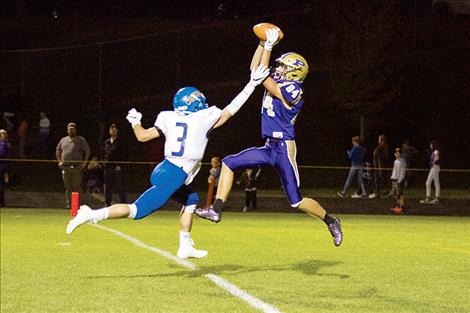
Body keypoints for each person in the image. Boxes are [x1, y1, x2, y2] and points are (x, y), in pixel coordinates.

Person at [66, 65, 270, 260]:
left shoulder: (168, 116)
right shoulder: (203, 117)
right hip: (175, 173)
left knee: (191, 200)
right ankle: (91, 214)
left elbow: (143, 136)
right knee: (136, 211)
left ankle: (185, 245)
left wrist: (135, 121)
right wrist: (252, 84)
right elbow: (231, 109)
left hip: (164, 169)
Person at [195, 28, 343, 247]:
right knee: (228, 162)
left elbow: (263, 75)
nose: (279, 68)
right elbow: (256, 69)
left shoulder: (294, 89)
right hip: (269, 146)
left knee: (296, 201)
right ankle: (216, 210)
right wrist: (262, 43)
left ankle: (331, 221)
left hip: (284, 148)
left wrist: (270, 46)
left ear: (295, 72)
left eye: (284, 66)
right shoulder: (274, 79)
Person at [56, 123, 90, 208]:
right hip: (65, 167)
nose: (71, 130)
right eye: (70, 129)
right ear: (67, 130)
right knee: (68, 187)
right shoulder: (63, 140)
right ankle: (69, 204)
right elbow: (58, 150)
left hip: (77, 167)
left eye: (73, 129)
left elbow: (87, 150)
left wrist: (85, 162)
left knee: (77, 187)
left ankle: (77, 205)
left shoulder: (80, 140)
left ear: (75, 130)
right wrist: (59, 161)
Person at [101, 123, 128, 206]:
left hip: (117, 167)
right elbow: (102, 153)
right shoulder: (106, 142)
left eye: (115, 129)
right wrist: (102, 161)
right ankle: (107, 203)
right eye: (111, 129)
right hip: (107, 167)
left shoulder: (121, 142)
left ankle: (123, 203)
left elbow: (124, 154)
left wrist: (120, 165)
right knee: (107, 186)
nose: (113, 130)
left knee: (120, 186)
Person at [369, 134, 388, 199]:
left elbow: (379, 158)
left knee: (377, 180)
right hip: (378, 166)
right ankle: (378, 193)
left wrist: (379, 168)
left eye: (379, 139)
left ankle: (377, 194)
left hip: (378, 166)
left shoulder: (381, 147)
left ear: (382, 140)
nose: (378, 141)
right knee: (377, 180)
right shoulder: (383, 147)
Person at [390, 148, 407, 215]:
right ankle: (398, 206)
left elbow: (402, 171)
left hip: (399, 180)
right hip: (395, 179)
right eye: (396, 153)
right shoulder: (396, 161)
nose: (397, 154)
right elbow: (394, 171)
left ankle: (401, 208)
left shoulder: (402, 161)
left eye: (398, 152)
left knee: (400, 194)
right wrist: (392, 177)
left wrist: (400, 180)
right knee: (397, 194)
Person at [0, 129, 12, 207]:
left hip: (1, 166)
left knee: (1, 184)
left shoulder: (3, 143)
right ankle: (2, 202)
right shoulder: (6, 143)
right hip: (4, 166)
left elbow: (1, 154)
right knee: (2, 184)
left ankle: (1, 202)